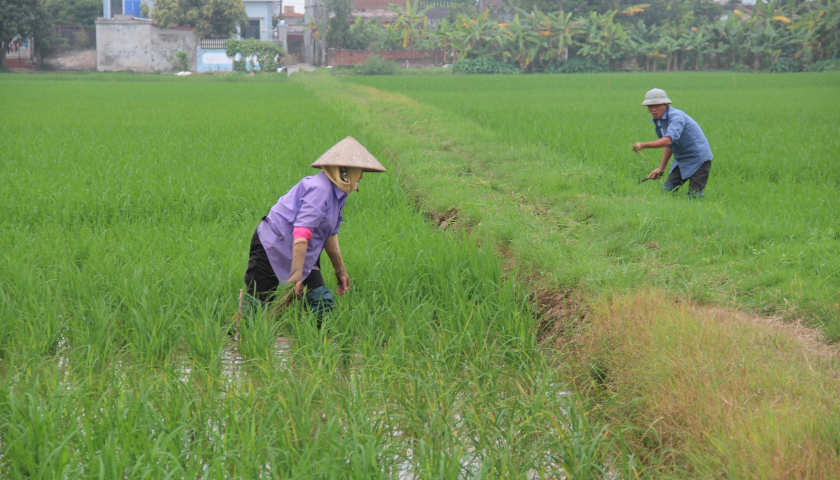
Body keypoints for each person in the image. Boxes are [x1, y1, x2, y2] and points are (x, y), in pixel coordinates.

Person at [243, 136, 386, 318]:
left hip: (303, 252)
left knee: (321, 301)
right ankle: (243, 340)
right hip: (272, 247)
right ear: (343, 172)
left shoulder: (339, 194)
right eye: (359, 171)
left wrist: (340, 270)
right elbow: (301, 234)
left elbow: (330, 235)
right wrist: (296, 277)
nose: (361, 176)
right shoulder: (320, 190)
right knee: (256, 309)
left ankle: (321, 344)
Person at [633, 88, 714, 198]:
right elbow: (670, 144)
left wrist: (643, 145)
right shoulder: (659, 120)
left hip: (698, 158)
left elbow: (668, 140)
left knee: (695, 195)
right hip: (681, 159)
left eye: (657, 105)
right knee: (667, 191)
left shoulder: (676, 117)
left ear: (666, 104)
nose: (653, 109)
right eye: (650, 106)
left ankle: (696, 213)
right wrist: (661, 168)